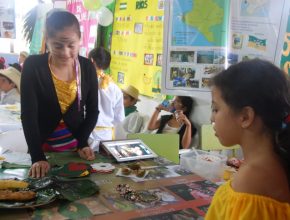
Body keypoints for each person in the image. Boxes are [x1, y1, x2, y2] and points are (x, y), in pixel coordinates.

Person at [205, 59, 290, 219]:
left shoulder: (253, 179)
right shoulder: (265, 166)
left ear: (245, 116)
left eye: (216, 109)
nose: (212, 118)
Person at [21, 10, 99, 178]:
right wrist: (37, 157)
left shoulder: (86, 67)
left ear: (80, 40)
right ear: (47, 41)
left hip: (76, 151)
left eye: (71, 45)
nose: (65, 52)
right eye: (57, 45)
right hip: (42, 151)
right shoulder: (33, 66)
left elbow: (93, 111)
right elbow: (29, 115)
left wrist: (82, 143)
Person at [88, 47, 124, 151]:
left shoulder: (83, 82)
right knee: (104, 166)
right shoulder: (116, 89)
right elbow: (119, 118)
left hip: (86, 134)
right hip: (106, 136)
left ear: (91, 60)